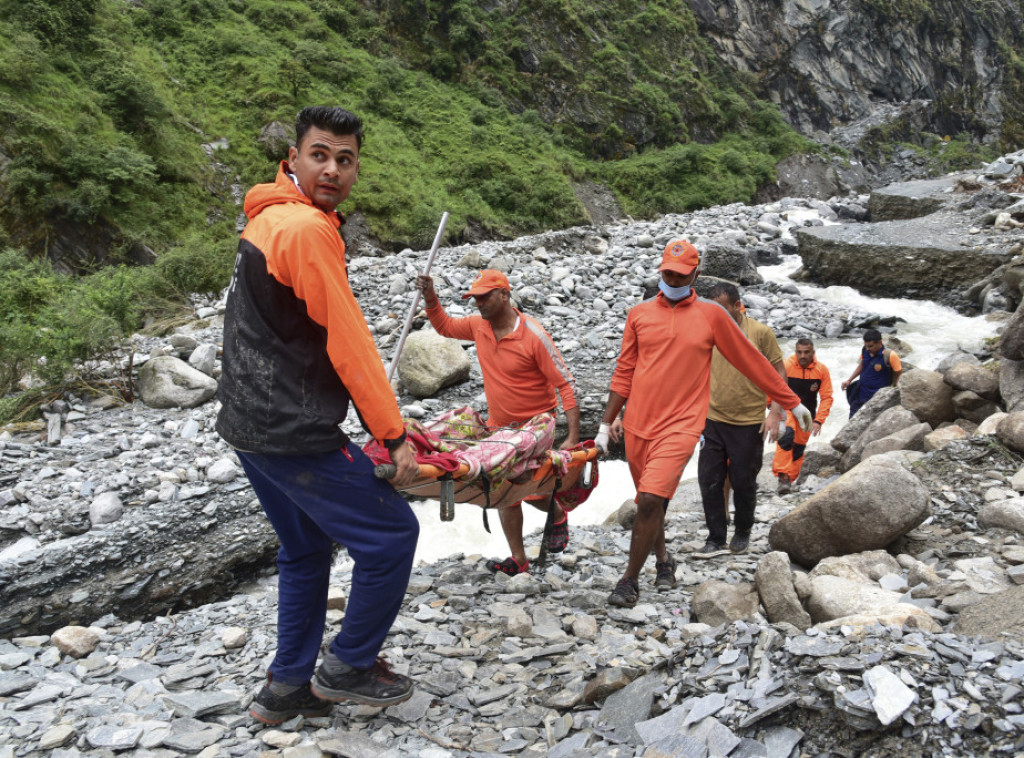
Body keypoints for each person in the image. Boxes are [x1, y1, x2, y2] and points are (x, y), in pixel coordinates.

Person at [216, 106, 421, 725]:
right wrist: (392, 432)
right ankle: (349, 664)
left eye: (346, 159)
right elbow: (349, 341)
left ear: (356, 167)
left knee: (304, 550)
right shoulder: (304, 231)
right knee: (391, 536)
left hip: (247, 423)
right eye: (320, 155)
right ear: (294, 158)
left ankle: (286, 688)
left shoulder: (270, 218)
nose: (333, 169)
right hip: (289, 427)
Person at [595, 239, 811, 608]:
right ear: (660, 270)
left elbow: (750, 360)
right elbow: (624, 371)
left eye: (681, 274)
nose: (673, 279)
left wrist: (788, 400)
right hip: (638, 425)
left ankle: (628, 581)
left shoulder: (713, 315)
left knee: (648, 500)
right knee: (651, 500)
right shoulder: (639, 315)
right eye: (667, 273)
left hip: (681, 426)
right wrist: (605, 423)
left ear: (695, 274)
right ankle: (664, 561)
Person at [415, 269, 580, 576]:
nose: (479, 303)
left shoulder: (534, 335)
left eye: (484, 296)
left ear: (504, 294)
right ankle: (518, 559)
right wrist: (430, 296)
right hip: (500, 427)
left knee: (519, 486)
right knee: (501, 485)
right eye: (475, 298)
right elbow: (445, 326)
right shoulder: (479, 326)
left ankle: (557, 511)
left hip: (537, 426)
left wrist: (571, 436)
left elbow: (566, 385)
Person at [696, 282, 788, 558]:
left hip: (749, 421)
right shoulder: (707, 331)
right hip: (712, 419)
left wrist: (774, 413)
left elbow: (780, 374)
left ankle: (743, 530)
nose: (717, 316)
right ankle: (715, 536)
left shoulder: (760, 333)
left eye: (722, 310)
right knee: (709, 479)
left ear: (738, 306)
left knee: (743, 481)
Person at [772, 338, 834, 494]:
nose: (802, 356)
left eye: (806, 352)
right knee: (786, 437)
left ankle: (790, 480)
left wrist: (819, 420)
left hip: (807, 414)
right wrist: (771, 408)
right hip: (786, 410)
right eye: (799, 352)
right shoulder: (786, 366)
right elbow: (773, 386)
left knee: (798, 448)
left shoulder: (821, 370)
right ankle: (783, 478)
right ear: (795, 352)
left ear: (813, 352)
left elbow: (826, 397)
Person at [841, 328, 902, 417]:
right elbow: (862, 365)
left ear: (880, 342)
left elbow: (898, 371)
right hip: (861, 393)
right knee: (853, 419)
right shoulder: (865, 351)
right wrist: (849, 380)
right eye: (866, 346)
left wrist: (894, 385)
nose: (868, 348)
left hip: (877, 398)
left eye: (871, 346)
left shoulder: (890, 355)